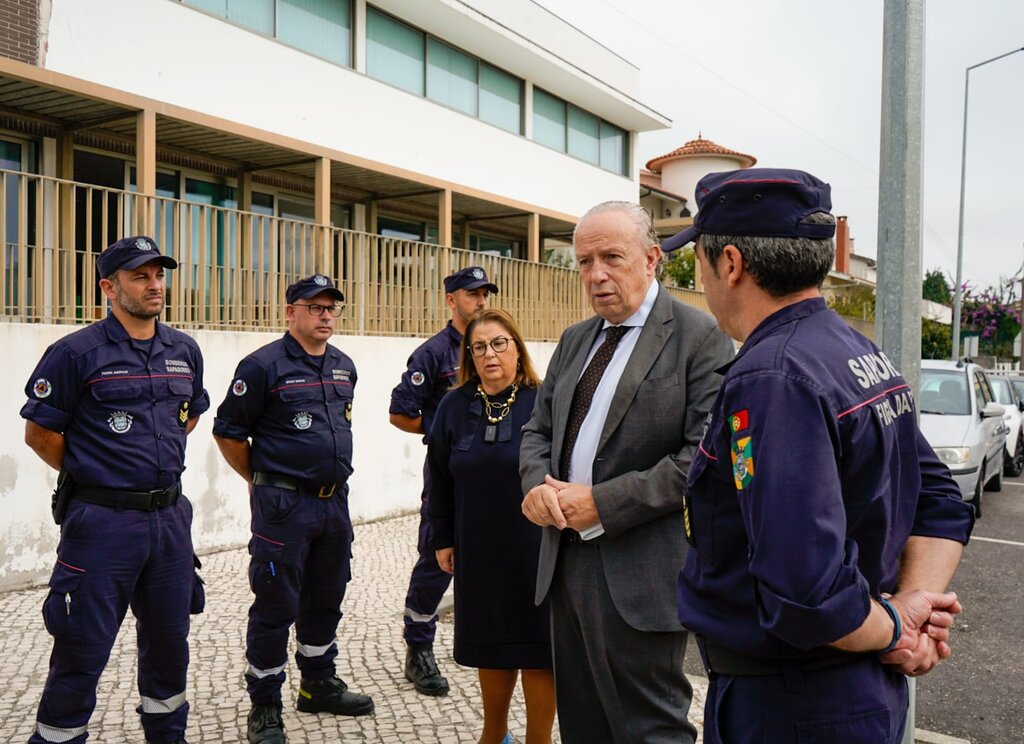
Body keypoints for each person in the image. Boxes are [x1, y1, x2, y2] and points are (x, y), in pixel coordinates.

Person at [668, 168, 975, 743]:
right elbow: (939, 500)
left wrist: (898, 625)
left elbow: (805, 591)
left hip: (791, 704)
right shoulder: (854, 350)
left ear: (730, 263)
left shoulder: (772, 376)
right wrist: (910, 610)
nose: (702, 278)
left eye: (699, 260)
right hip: (851, 691)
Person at [519, 202, 735, 743]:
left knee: (649, 730)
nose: (596, 275)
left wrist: (603, 503)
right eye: (584, 261)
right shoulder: (576, 338)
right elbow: (537, 431)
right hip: (564, 562)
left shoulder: (699, 336)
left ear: (652, 259)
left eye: (611, 258)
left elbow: (703, 458)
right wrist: (536, 487)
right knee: (583, 725)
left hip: (639, 573)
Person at [20, 236, 209, 744]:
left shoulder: (183, 351)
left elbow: (187, 416)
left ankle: (167, 736)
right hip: (102, 523)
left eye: (159, 275)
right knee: (81, 647)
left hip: (170, 520)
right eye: (139, 276)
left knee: (170, 645)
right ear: (109, 287)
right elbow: (40, 433)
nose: (154, 285)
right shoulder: (74, 353)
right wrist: (98, 469)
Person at [213, 274, 373, 744]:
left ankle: (317, 685)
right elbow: (228, 432)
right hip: (284, 506)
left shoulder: (343, 366)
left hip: (333, 503)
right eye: (315, 307)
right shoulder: (262, 366)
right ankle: (265, 704)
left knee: (326, 595)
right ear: (290, 312)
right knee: (275, 602)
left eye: (331, 308)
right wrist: (262, 481)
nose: (326, 315)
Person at [428, 309, 554, 744]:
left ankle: (539, 739)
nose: (489, 355)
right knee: (492, 644)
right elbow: (438, 478)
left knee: (540, 649)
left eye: (499, 343)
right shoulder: (453, 406)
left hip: (536, 547)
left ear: (517, 348)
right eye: (478, 347)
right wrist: (442, 538)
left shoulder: (543, 401)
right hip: (478, 546)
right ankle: (494, 735)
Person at [389, 265, 497, 696]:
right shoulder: (433, 354)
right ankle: (419, 648)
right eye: (472, 294)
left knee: (489, 557)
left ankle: (483, 637)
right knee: (437, 560)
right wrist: (441, 431)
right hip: (449, 472)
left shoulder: (493, 344)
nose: (481, 301)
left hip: (492, 470)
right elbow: (400, 413)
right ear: (451, 300)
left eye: (485, 293)